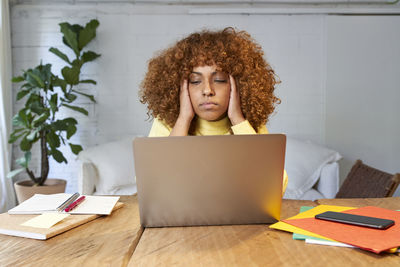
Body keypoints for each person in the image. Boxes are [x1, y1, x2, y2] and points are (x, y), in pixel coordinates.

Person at [139, 27, 288, 193]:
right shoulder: (167, 123)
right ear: (180, 88)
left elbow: (277, 187)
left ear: (238, 86)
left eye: (219, 80)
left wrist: (238, 120)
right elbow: (152, 184)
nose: (207, 90)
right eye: (195, 81)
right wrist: (183, 120)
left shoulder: (249, 125)